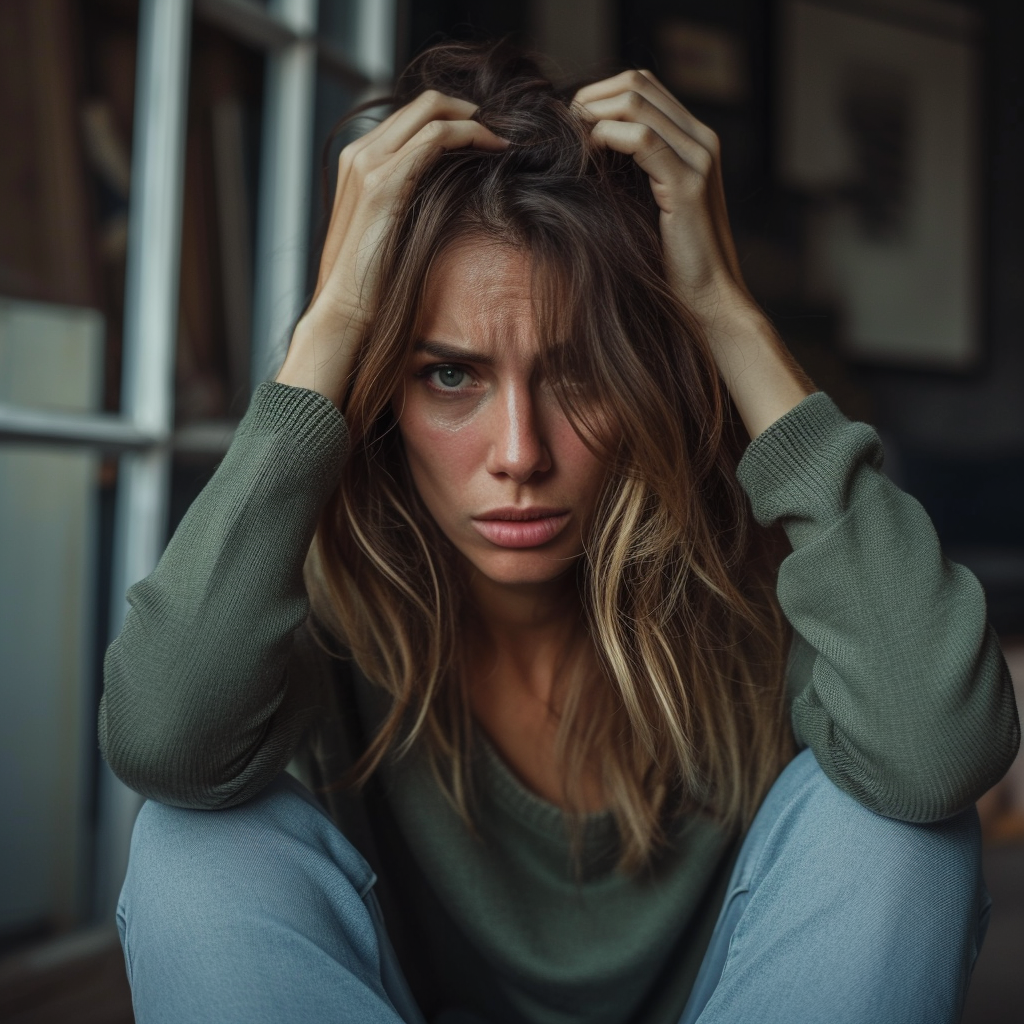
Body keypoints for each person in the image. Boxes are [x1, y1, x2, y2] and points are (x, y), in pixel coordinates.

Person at [100, 39, 1019, 1024]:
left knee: (904, 831)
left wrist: (725, 310)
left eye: (578, 372)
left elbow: (940, 751)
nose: (518, 452)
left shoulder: (765, 590)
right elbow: (163, 739)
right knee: (190, 843)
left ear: (639, 384)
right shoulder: (321, 602)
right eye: (448, 373)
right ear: (382, 399)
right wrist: (335, 320)